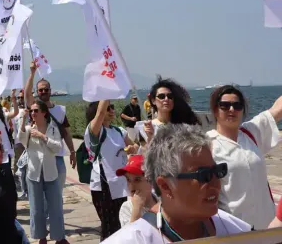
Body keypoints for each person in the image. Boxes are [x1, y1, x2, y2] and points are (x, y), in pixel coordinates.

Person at [103, 124, 252, 243]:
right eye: (204, 176)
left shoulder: (235, 230)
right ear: (165, 186)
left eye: (218, 171)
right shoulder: (134, 239)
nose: (216, 184)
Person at [208, 85, 282, 230]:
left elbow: (277, 110)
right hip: (235, 231)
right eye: (225, 105)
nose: (231, 109)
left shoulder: (251, 132)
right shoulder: (208, 145)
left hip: (269, 228)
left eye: (237, 105)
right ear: (215, 110)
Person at [85, 100, 138, 240]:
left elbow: (135, 147)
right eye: (108, 108)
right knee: (109, 227)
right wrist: (105, 89)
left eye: (112, 107)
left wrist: (132, 149)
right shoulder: (95, 131)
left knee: (122, 225)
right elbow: (100, 113)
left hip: (121, 185)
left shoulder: (119, 131)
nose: (111, 110)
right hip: (103, 186)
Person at [18, 100, 68, 244]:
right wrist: (22, 119)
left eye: (36, 111)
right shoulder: (28, 128)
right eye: (32, 111)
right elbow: (21, 139)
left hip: (51, 173)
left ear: (44, 113)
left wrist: (43, 137)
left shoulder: (52, 128)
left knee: (56, 206)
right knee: (36, 208)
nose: (33, 113)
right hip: (34, 173)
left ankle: (59, 237)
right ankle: (41, 237)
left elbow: (57, 148)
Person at [24, 63, 76, 198]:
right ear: (37, 92)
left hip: (57, 154)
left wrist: (72, 151)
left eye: (45, 89)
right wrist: (32, 73)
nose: (43, 92)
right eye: (40, 90)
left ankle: (53, 214)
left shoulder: (60, 110)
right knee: (40, 194)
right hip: (39, 156)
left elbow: (66, 133)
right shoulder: (34, 109)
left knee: (57, 191)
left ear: (50, 91)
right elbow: (27, 93)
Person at [142, 77, 199, 144]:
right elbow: (145, 152)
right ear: (153, 100)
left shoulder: (183, 126)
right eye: (161, 96)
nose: (166, 99)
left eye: (170, 96)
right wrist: (150, 137)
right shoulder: (148, 128)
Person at [115, 155, 158, 227]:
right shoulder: (127, 208)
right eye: (128, 180)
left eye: (137, 180)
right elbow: (130, 236)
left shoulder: (162, 202)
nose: (132, 186)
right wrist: (137, 209)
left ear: (151, 180)